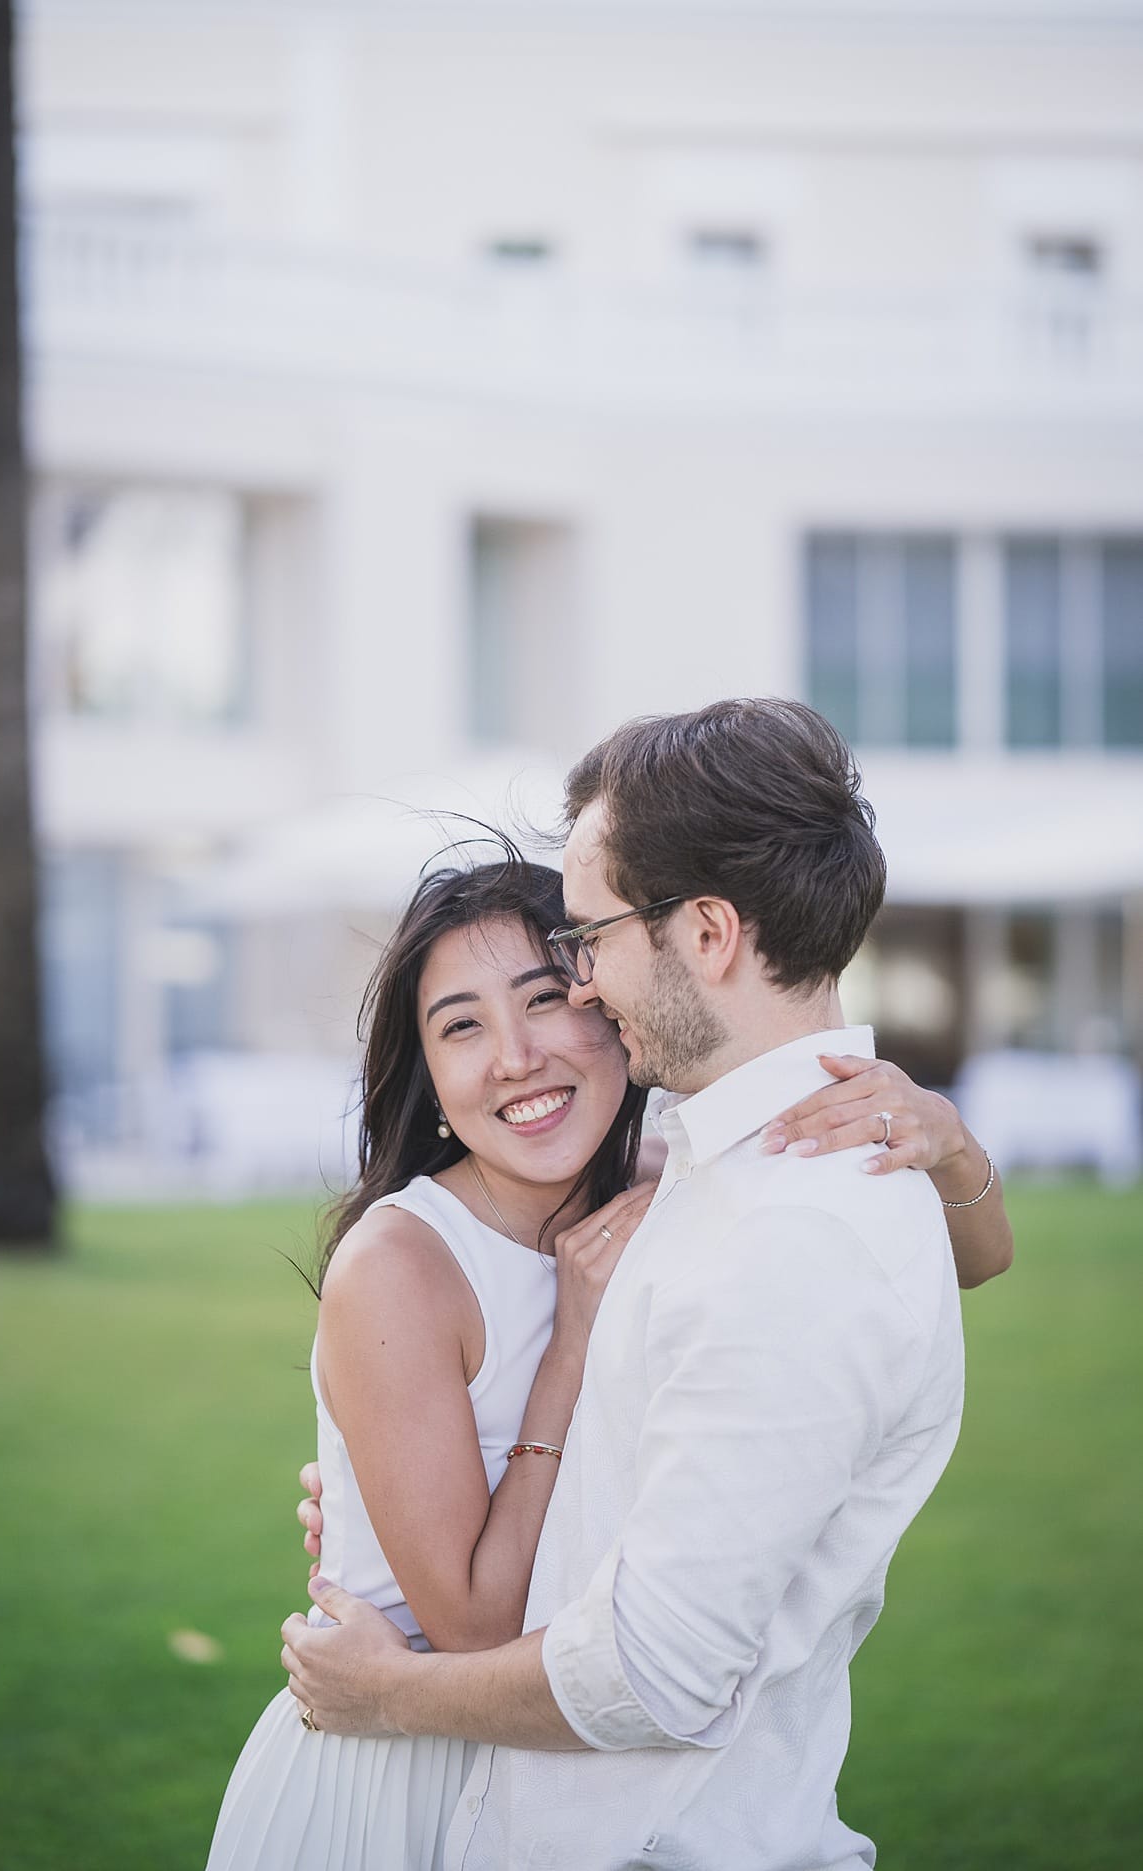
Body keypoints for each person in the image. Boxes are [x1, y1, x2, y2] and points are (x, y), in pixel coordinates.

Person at [275, 700, 993, 1871]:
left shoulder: (791, 1212)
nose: (584, 987)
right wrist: (372, 1491)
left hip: (647, 1827)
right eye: (464, 1023)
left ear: (705, 931)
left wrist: (390, 1689)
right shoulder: (712, 1162)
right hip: (477, 1796)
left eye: (581, 950)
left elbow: (657, 1666)